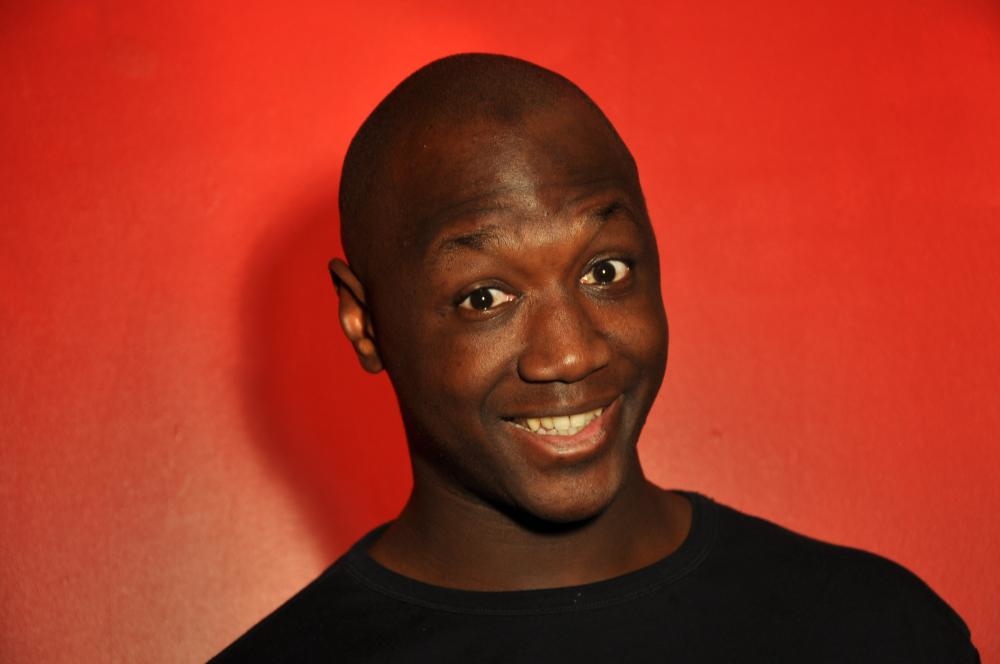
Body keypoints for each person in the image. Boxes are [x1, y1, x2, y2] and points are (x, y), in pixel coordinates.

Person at [214, 53, 979, 662]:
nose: (571, 353)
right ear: (364, 322)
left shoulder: (876, 631)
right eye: (485, 297)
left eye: (604, 271)